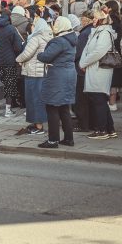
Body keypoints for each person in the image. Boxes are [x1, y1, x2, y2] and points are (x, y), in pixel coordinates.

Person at [35, 15, 78, 148]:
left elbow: (46, 56)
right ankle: (69, 138)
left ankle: (53, 140)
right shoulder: (71, 39)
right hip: (69, 74)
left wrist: (39, 54)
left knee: (52, 107)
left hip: (58, 76)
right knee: (64, 108)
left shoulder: (59, 41)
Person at [80, 9, 117, 140]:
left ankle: (101, 130)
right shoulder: (96, 31)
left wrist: (83, 63)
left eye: (95, 18)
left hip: (100, 70)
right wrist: (83, 62)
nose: (93, 20)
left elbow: (98, 51)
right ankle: (110, 128)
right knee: (98, 98)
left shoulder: (105, 33)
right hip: (93, 68)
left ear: (101, 20)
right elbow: (87, 49)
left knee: (99, 99)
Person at [16, 15, 52, 135]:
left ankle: (39, 126)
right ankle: (37, 123)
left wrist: (18, 59)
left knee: (34, 99)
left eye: (34, 25)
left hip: (33, 72)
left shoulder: (36, 38)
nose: (32, 26)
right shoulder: (49, 37)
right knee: (38, 99)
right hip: (42, 72)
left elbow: (27, 54)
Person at [0, 9, 24, 115]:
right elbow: (18, 47)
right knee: (9, 85)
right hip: (9, 61)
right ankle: (8, 110)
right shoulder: (11, 29)